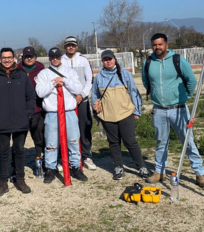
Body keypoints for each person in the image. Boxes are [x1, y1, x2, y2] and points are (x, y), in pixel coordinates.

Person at [142, 33, 204, 188]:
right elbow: (147, 82)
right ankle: (159, 171)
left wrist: (183, 97)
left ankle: (199, 173)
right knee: (161, 142)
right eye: (154, 45)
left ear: (166, 44)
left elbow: (191, 80)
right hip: (159, 110)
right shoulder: (148, 62)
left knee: (188, 141)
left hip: (179, 109)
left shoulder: (177, 60)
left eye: (160, 44)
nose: (157, 47)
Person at [0, 48, 36, 197]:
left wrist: (28, 114)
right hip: (3, 123)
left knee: (19, 150)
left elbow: (30, 97)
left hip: (21, 122)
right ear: (0, 59)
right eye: (4, 58)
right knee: (4, 152)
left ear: (14, 58)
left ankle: (20, 179)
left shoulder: (22, 77)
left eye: (9, 57)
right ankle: (3, 182)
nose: (7, 60)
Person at [91, 50, 149, 180]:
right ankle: (118, 167)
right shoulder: (99, 77)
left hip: (125, 113)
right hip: (108, 116)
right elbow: (95, 96)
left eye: (110, 59)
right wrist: (97, 114)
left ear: (114, 59)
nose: (108, 61)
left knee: (130, 141)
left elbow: (134, 92)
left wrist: (137, 111)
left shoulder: (125, 74)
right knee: (113, 143)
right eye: (105, 59)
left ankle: (141, 167)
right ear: (102, 61)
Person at [36, 47, 88, 184]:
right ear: (49, 58)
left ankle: (75, 167)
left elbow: (78, 89)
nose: (55, 59)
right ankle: (50, 168)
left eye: (57, 56)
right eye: (52, 57)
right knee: (51, 143)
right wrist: (54, 83)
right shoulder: (43, 73)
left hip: (69, 112)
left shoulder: (70, 72)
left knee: (73, 140)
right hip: (52, 113)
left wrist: (64, 81)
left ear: (61, 57)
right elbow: (40, 92)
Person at [61, 36, 96, 171]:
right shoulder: (61, 61)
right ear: (65, 47)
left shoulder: (83, 60)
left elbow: (89, 80)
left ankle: (86, 155)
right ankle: (68, 156)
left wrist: (82, 95)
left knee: (84, 127)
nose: (71, 47)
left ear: (77, 46)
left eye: (73, 45)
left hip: (82, 100)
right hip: (67, 101)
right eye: (68, 45)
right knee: (67, 129)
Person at [16, 46, 46, 165]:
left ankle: (41, 164)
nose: (29, 59)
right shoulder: (17, 70)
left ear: (35, 57)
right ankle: (17, 168)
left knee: (39, 140)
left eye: (31, 56)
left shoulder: (42, 70)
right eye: (26, 57)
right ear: (23, 58)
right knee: (19, 142)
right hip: (21, 112)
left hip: (37, 111)